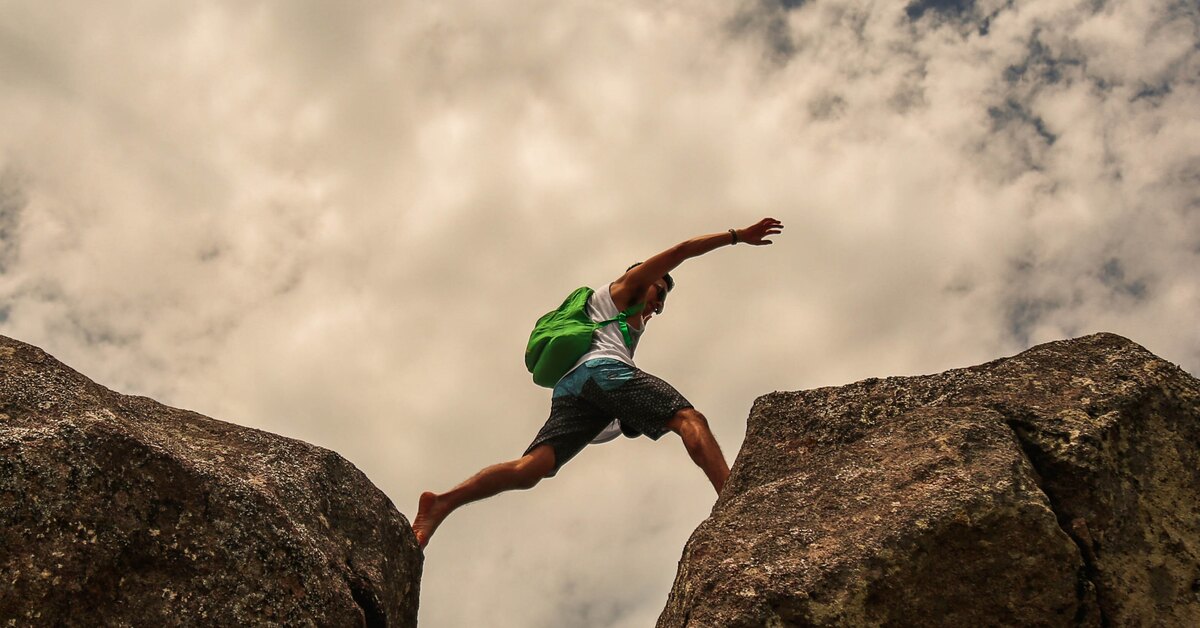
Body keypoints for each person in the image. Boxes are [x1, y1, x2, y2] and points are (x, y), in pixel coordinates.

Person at [412, 217, 785, 549]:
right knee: (690, 420)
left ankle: (443, 503)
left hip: (575, 387)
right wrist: (737, 236)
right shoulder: (627, 289)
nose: (659, 302)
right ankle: (737, 504)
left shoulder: (625, 321)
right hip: (601, 373)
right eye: (660, 291)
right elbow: (682, 250)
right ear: (645, 278)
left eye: (664, 300)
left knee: (532, 468)